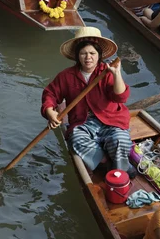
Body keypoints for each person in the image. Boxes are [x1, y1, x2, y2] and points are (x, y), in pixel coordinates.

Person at [42, 27, 135, 177]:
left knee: (120, 140)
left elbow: (121, 98)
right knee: (76, 141)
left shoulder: (107, 71)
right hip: (83, 122)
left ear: (99, 55)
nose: (88, 58)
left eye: (92, 53)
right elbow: (50, 94)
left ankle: (121, 168)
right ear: (77, 56)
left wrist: (117, 74)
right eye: (83, 53)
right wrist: (50, 111)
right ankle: (104, 162)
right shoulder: (67, 76)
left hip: (110, 120)